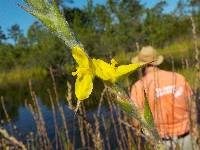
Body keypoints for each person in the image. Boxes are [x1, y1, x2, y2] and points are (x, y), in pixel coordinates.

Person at [130, 46, 195, 150]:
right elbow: (192, 108)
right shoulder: (178, 77)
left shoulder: (138, 87)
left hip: (160, 142)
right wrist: (195, 130)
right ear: (157, 61)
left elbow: (136, 123)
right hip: (187, 137)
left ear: (141, 65)